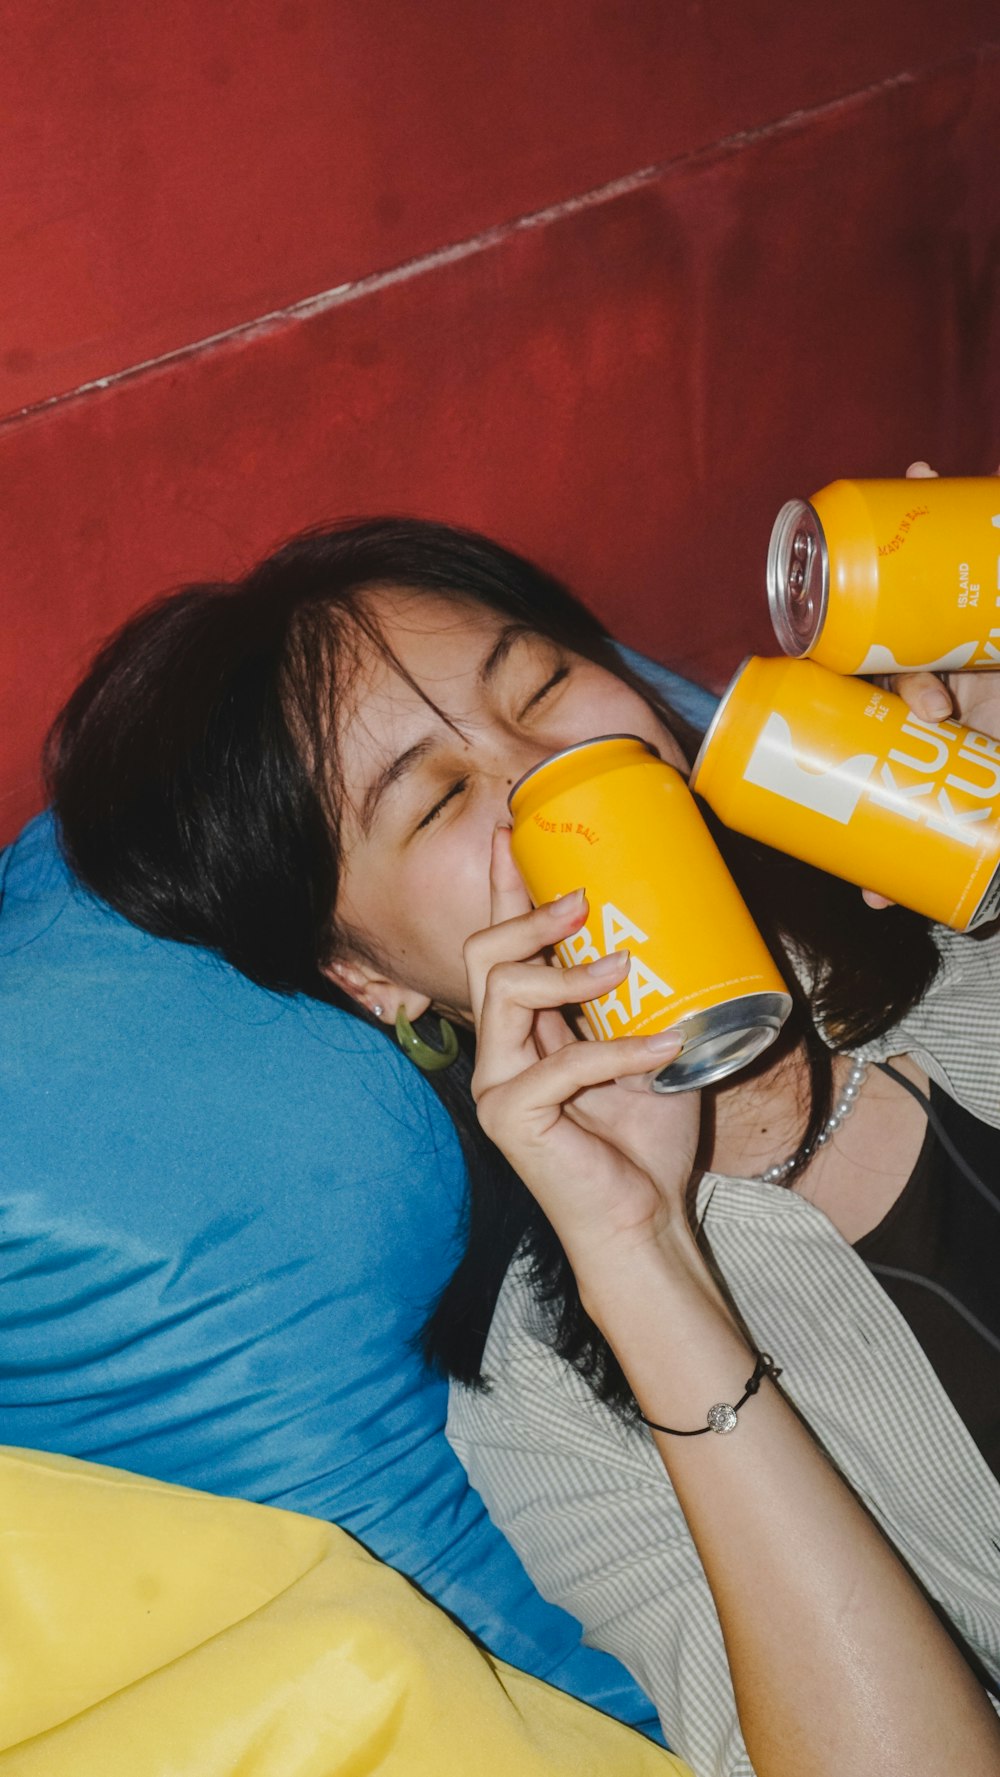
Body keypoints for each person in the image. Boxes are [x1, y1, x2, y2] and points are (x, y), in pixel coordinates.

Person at [35, 504, 1000, 1776]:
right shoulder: (548, 1405)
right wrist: (643, 1261)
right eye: (433, 804)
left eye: (543, 681)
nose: (546, 771)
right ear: (366, 974)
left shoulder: (966, 924)